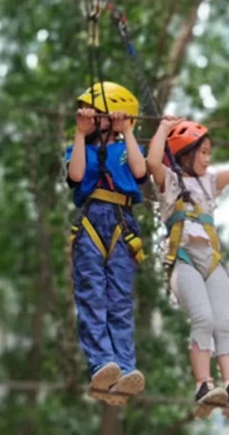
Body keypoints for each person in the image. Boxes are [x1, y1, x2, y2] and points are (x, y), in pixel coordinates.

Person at [147, 116, 229, 416]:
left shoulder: (209, 183)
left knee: (224, 322)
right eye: (203, 152)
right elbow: (153, 160)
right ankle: (203, 384)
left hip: (211, 260)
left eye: (209, 153)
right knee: (203, 318)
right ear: (185, 152)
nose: (208, 159)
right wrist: (163, 128)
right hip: (183, 260)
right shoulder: (169, 181)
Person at [65, 81, 148, 403]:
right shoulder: (78, 148)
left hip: (122, 223)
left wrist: (125, 131)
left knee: (120, 300)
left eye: (94, 112)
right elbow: (75, 177)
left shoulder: (127, 149)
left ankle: (125, 368)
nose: (87, 116)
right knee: (92, 295)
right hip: (90, 221)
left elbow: (140, 172)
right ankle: (102, 363)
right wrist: (80, 132)